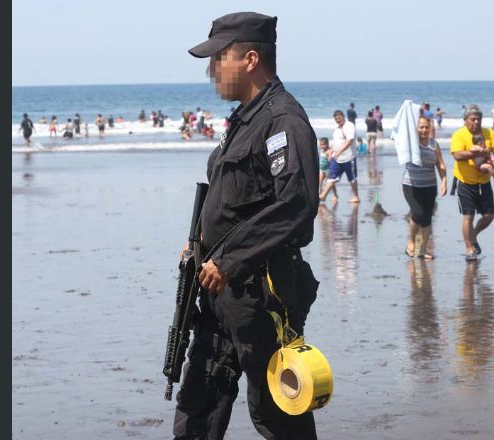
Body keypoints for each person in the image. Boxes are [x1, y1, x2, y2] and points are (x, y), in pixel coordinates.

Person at [175, 12, 320, 440]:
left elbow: (297, 205)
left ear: (250, 59)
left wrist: (232, 257)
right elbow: (235, 203)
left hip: (263, 298)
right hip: (217, 292)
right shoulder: (243, 119)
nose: (210, 69)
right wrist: (199, 247)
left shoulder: (283, 121)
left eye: (219, 59)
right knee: (196, 409)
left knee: (278, 415)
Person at [450, 104, 494, 261]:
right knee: (468, 216)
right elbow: (457, 155)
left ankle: (473, 234)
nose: (476, 122)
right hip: (465, 181)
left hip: (484, 181)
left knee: (489, 215)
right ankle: (470, 249)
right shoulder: (459, 135)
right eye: (472, 119)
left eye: (478, 119)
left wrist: (493, 163)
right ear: (465, 120)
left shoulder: (489, 133)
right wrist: (476, 152)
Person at [403, 115, 447, 260]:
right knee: (418, 212)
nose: (424, 130)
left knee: (427, 218)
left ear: (430, 128)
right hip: (411, 184)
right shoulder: (410, 143)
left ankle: (422, 249)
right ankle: (411, 240)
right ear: (415, 129)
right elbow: (396, 137)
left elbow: (440, 164)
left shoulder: (434, 144)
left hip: (430, 185)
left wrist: (444, 181)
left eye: (426, 127)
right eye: (421, 127)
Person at [319, 109, 360, 203]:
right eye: (336, 119)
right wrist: (332, 152)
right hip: (337, 158)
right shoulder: (336, 129)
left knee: (352, 178)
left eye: (339, 118)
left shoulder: (349, 126)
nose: (338, 120)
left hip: (349, 157)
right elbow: (336, 143)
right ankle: (323, 195)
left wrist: (339, 152)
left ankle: (356, 196)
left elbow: (350, 140)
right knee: (331, 177)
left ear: (343, 117)